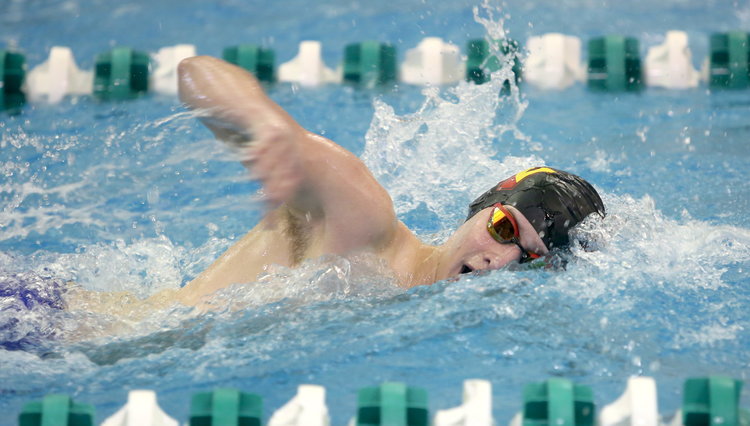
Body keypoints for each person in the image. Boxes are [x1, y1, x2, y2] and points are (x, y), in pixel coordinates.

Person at [172, 56, 605, 307]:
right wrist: (263, 121)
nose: (502, 260)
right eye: (504, 228)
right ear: (480, 208)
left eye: (530, 259)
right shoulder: (363, 221)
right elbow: (195, 72)